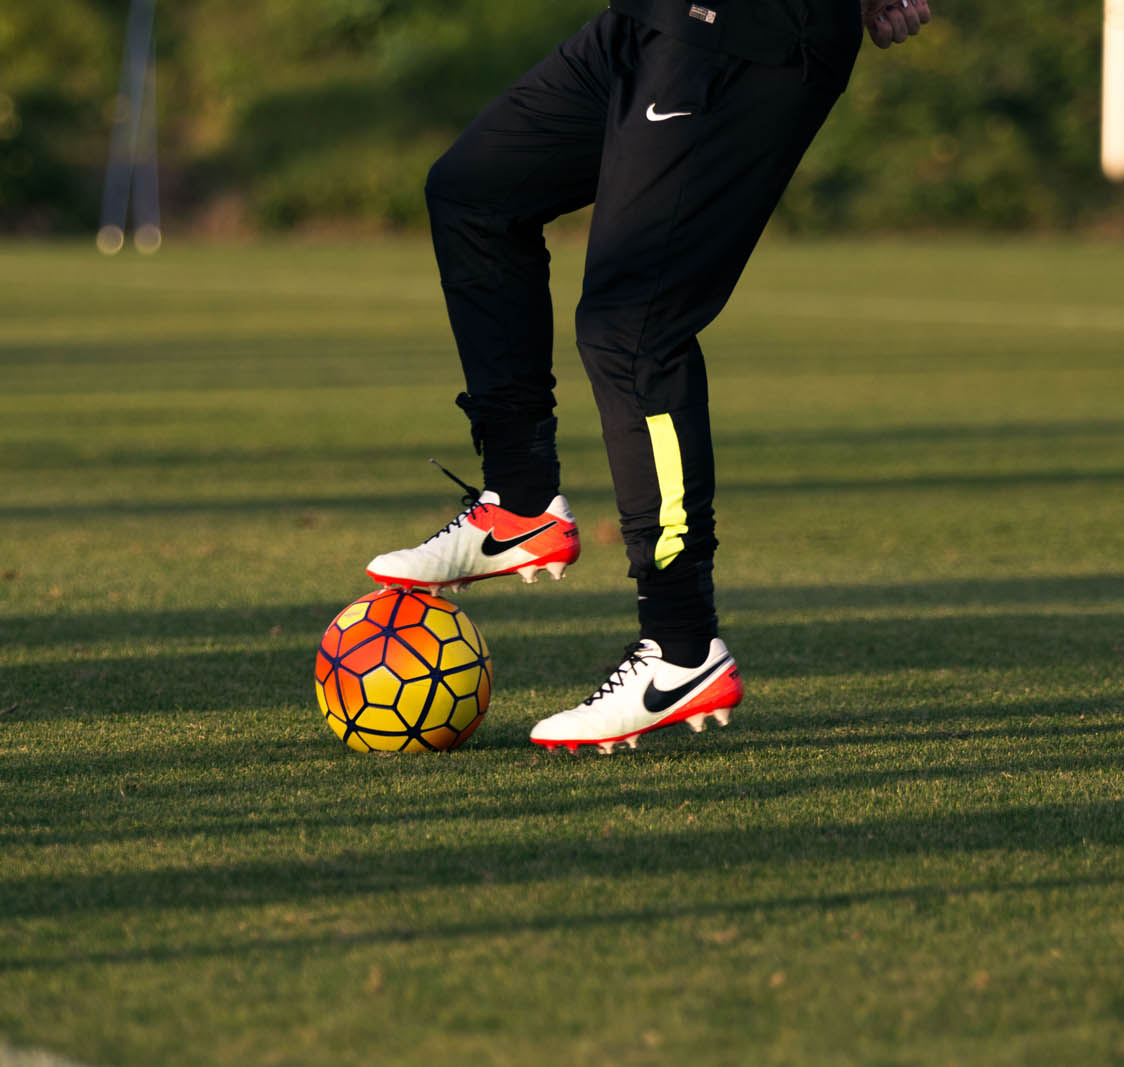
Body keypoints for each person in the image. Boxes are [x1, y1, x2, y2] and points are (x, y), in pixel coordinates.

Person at [366, 0, 932, 753]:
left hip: (743, 38)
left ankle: (681, 648)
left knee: (633, 328)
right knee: (474, 193)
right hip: (653, 20)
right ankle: (520, 501)